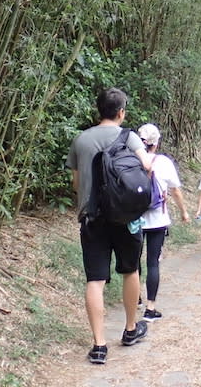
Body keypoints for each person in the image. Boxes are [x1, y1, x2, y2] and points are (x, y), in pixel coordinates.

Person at [65, 87, 152, 365]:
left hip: (92, 219)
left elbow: (76, 184)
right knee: (131, 270)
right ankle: (129, 329)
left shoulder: (81, 140)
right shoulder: (129, 137)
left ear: (98, 110)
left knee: (95, 280)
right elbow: (147, 166)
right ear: (121, 112)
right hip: (126, 218)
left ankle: (99, 345)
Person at [137, 123, 190, 322]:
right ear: (156, 143)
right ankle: (150, 308)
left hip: (133, 219)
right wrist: (184, 212)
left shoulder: (130, 160)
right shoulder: (164, 162)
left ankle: (135, 300)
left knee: (134, 261)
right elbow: (175, 190)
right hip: (158, 218)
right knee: (152, 262)